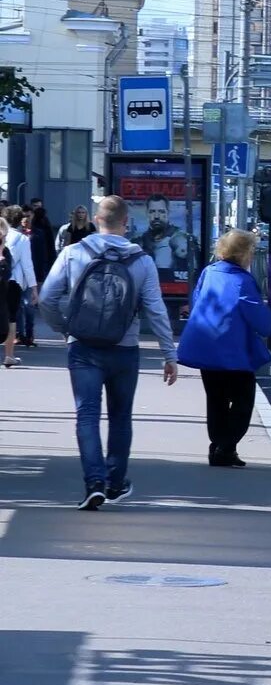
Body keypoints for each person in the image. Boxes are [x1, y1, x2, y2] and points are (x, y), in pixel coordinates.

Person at [40, 195, 178, 509]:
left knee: (86, 415)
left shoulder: (73, 252)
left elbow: (47, 297)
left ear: (96, 220)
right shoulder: (141, 260)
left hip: (84, 347)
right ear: (126, 223)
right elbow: (155, 310)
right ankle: (116, 483)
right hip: (125, 349)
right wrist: (169, 354)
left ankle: (94, 483)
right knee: (120, 417)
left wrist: (65, 328)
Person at [176, 229, 271, 468]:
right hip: (232, 350)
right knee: (243, 399)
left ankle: (219, 448)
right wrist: (269, 324)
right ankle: (226, 446)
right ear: (244, 253)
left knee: (216, 399)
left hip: (205, 346)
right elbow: (259, 319)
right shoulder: (242, 280)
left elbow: (197, 300)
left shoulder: (209, 272)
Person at [1, 210, 33, 369]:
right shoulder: (22, 239)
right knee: (11, 318)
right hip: (12, 282)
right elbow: (27, 265)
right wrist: (34, 287)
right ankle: (9, 355)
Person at [23, 200, 55, 347]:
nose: (26, 219)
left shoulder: (39, 233)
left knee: (29, 305)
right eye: (24, 216)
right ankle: (18, 333)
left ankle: (29, 334)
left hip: (33, 272)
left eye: (29, 216)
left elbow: (43, 254)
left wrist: (42, 273)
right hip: (16, 275)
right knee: (17, 307)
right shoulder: (14, 234)